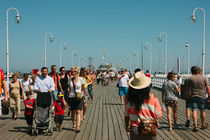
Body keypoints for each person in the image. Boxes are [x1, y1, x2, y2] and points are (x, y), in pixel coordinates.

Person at [125, 71, 162, 140]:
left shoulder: (129, 99)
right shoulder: (153, 98)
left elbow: (126, 115)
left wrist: (127, 126)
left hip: (135, 129)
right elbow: (159, 114)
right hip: (149, 128)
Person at [187, 66, 210, 132]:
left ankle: (196, 126)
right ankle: (203, 124)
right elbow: (208, 88)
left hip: (193, 96)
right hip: (202, 96)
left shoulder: (190, 78)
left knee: (194, 110)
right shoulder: (204, 78)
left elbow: (188, 88)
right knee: (202, 111)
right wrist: (209, 96)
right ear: (199, 72)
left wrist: (189, 95)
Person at [68, 66, 85, 132]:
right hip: (72, 96)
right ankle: (74, 125)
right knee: (73, 111)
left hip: (79, 97)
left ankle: (78, 126)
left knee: (78, 111)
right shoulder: (70, 79)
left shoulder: (80, 79)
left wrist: (80, 93)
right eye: (72, 72)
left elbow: (83, 88)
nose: (73, 73)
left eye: (74, 71)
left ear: (77, 72)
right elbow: (69, 88)